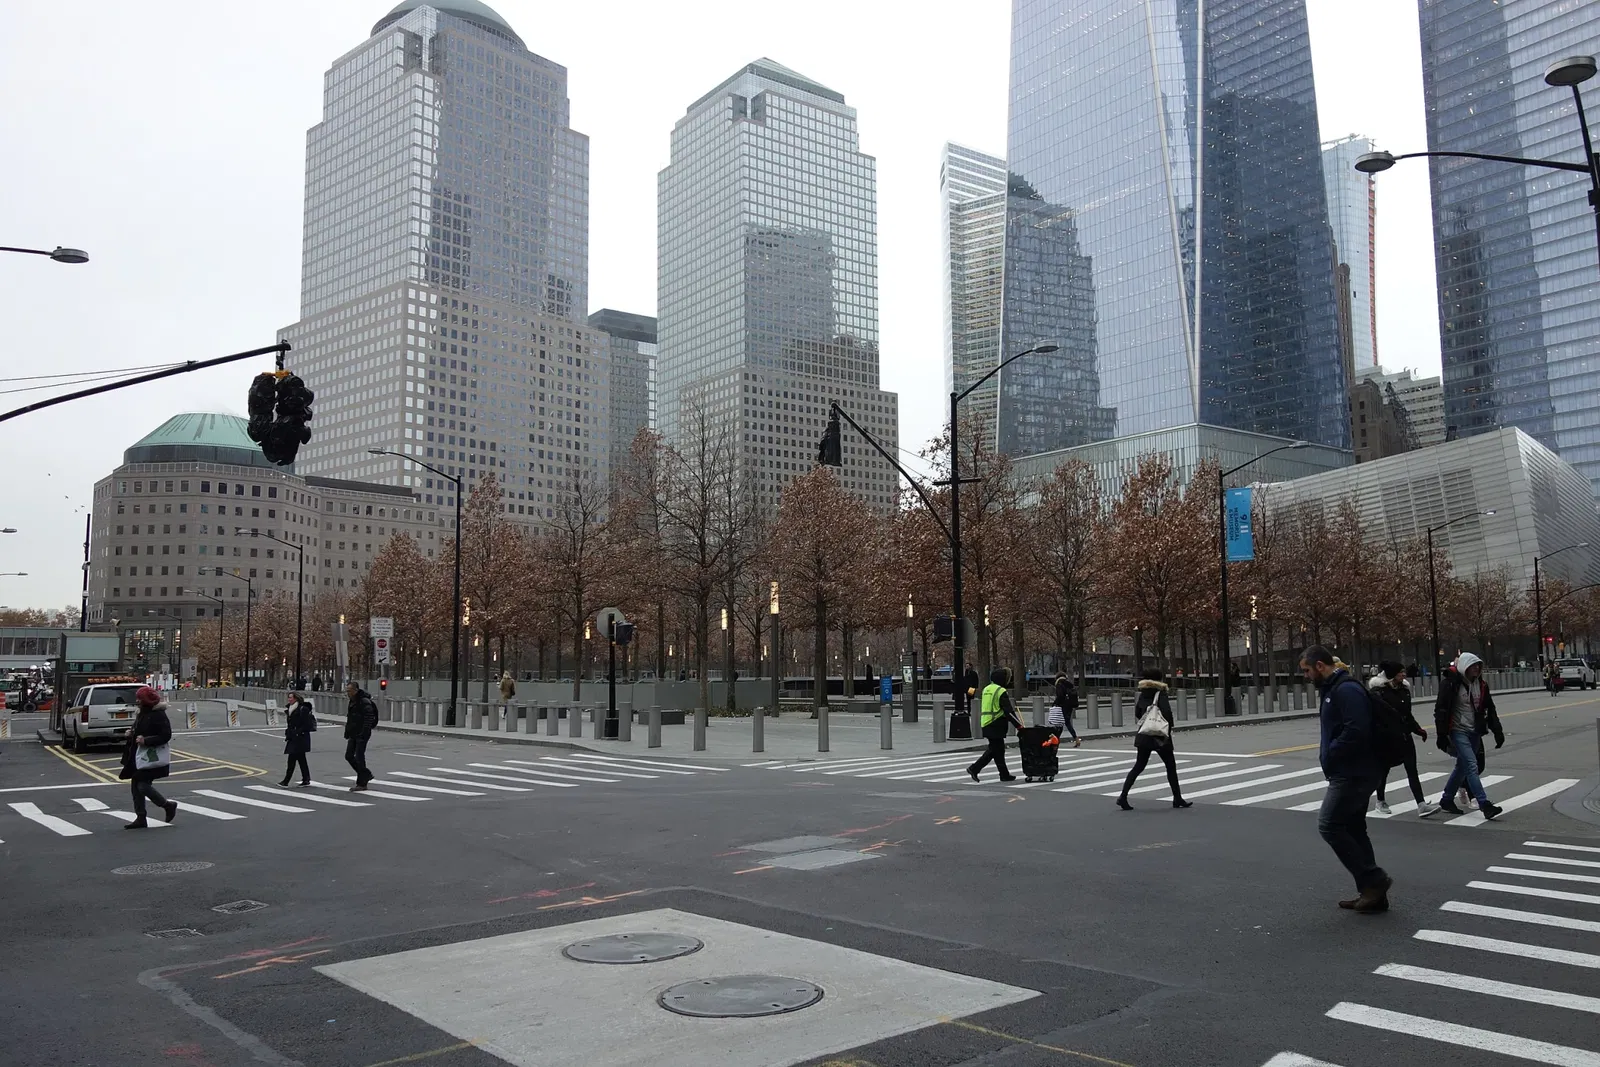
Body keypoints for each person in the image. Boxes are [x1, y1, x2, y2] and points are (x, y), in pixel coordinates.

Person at [1301, 645, 1390, 912]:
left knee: (1329, 825)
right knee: (1353, 828)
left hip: (1353, 772)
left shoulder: (1346, 689)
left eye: (1307, 670)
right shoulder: (1334, 689)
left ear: (1320, 666)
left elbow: (1357, 730)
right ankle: (1372, 894)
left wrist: (1332, 752)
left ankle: (1374, 880)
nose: (1306, 676)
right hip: (1353, 770)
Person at [1432, 652, 1505, 819]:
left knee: (1462, 767)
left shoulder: (1481, 685)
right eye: (1473, 666)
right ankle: (1484, 804)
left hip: (1474, 731)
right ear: (1464, 667)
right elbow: (1440, 710)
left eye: (1478, 665)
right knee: (1472, 765)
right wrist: (1441, 734)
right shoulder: (1450, 684)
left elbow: (1490, 708)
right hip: (1458, 730)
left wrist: (1497, 731)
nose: (1477, 668)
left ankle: (1446, 799)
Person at [1368, 661, 1436, 817]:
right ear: (1392, 674)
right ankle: (1380, 800)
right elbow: (1377, 717)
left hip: (1405, 736)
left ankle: (1421, 804)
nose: (1404, 674)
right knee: (1383, 770)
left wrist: (1418, 730)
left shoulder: (1404, 690)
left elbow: (1407, 715)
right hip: (1387, 739)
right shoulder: (1379, 692)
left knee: (1412, 770)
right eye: (1401, 672)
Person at [1115, 669, 1189, 810]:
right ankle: (1177, 798)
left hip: (1145, 732)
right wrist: (1168, 728)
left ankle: (1123, 796)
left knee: (1139, 765)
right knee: (1170, 766)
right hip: (1159, 735)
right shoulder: (1160, 693)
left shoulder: (1143, 693)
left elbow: (1138, 712)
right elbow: (1166, 712)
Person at [120, 685, 177, 829]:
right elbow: (139, 730)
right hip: (139, 756)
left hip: (151, 757)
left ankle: (167, 805)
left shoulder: (158, 714)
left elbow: (166, 735)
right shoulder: (142, 713)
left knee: (142, 786)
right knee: (136, 786)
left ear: (146, 700)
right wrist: (131, 734)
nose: (137, 701)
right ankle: (141, 817)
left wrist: (146, 740)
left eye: (140, 698)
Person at [967, 667, 1025, 783]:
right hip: (996, 722)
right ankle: (974, 768)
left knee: (998, 749)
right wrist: (1019, 726)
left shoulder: (987, 688)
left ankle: (1004, 774)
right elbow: (1008, 711)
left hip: (986, 721)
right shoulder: (1000, 691)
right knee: (994, 749)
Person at [344, 680, 379, 792]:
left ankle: (362, 783)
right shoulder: (353, 701)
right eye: (347, 691)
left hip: (362, 733)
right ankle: (366, 774)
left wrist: (364, 732)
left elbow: (369, 717)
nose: (348, 693)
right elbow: (351, 718)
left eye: (349, 691)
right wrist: (347, 731)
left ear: (356, 690)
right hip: (353, 732)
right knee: (349, 756)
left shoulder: (363, 701)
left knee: (359, 757)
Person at [279, 693, 317, 788]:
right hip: (293, 737)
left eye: (291, 698)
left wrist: (297, 732)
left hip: (300, 738)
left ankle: (286, 781)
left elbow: (306, 724)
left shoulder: (302, 709)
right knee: (301, 759)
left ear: (296, 699)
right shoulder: (290, 708)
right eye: (288, 698)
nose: (289, 699)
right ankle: (306, 779)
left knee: (291, 760)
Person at [1048, 671, 1081, 747]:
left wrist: (1055, 704)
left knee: (1062, 723)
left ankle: (1075, 738)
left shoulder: (1059, 684)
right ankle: (1058, 740)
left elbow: (1060, 696)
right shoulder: (1069, 684)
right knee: (1064, 723)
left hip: (1063, 706)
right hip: (1070, 706)